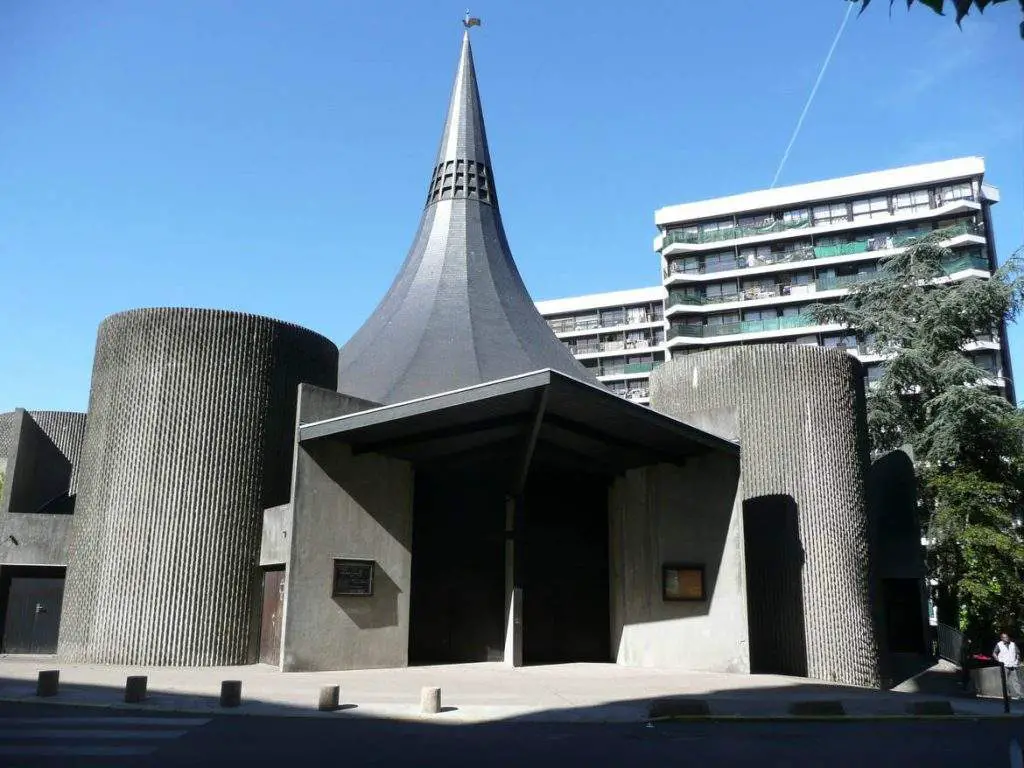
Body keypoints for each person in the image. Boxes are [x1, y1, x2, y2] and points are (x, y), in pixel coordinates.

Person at [993, 631, 1022, 700]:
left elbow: (1018, 653)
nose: (1007, 638)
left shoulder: (1013, 644)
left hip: (1013, 665)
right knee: (1005, 681)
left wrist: (1017, 660)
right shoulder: (999, 645)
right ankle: (1007, 695)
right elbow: (994, 653)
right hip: (1004, 665)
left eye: (1007, 637)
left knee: (1016, 681)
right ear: (1002, 638)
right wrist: (999, 661)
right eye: (1005, 637)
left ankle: (1020, 695)